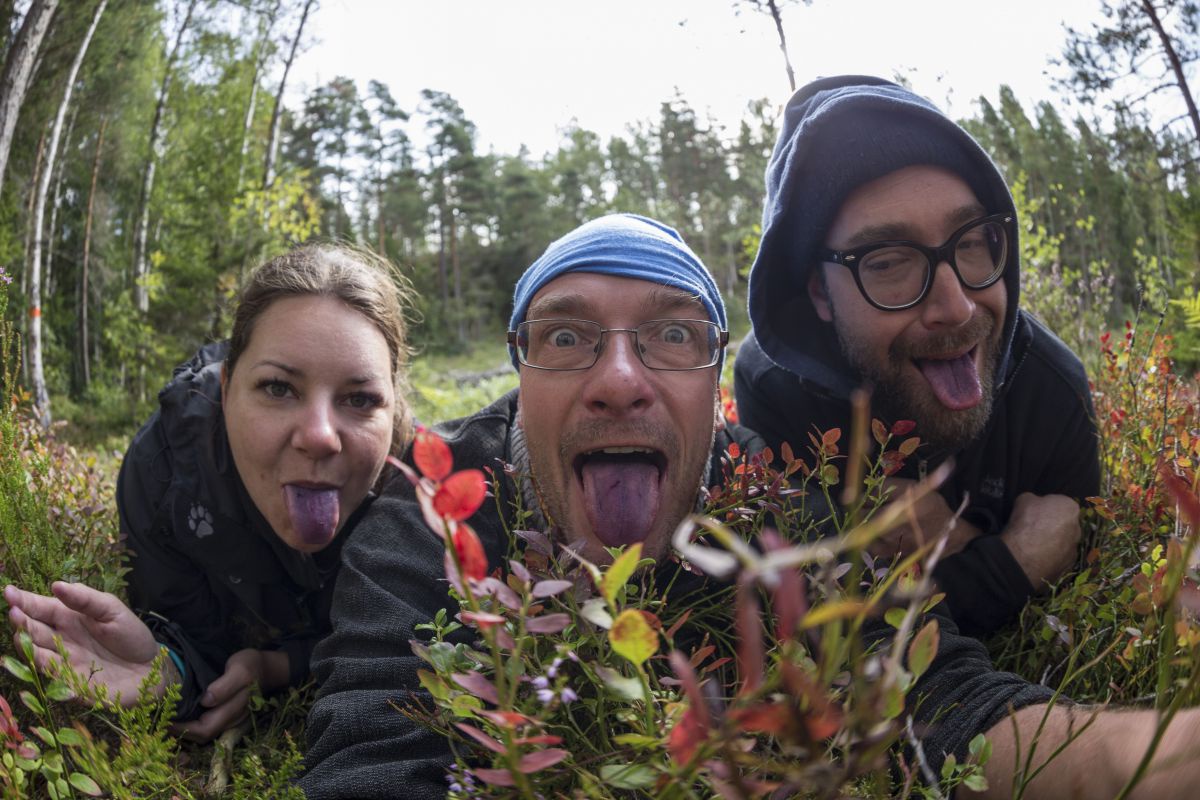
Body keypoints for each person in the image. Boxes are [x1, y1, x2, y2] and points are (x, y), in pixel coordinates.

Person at [298, 214, 1060, 799]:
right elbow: (375, 749)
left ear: (714, 385)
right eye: (565, 335)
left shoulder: (767, 498)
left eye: (674, 335)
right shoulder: (432, 511)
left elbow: (941, 694)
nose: (620, 380)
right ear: (521, 371)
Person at [734, 75, 1100, 636]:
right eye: (887, 261)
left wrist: (958, 551)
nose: (955, 308)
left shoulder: (1052, 393)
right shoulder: (773, 388)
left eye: (973, 241)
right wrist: (1010, 563)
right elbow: (837, 632)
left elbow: (1087, 603)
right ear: (817, 294)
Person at [5, 243, 413, 741]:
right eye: (279, 388)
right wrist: (172, 668)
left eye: (360, 398)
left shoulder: (414, 490)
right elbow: (194, 635)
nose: (320, 436)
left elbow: (402, 634)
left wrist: (277, 666)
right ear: (226, 389)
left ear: (392, 410)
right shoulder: (163, 475)